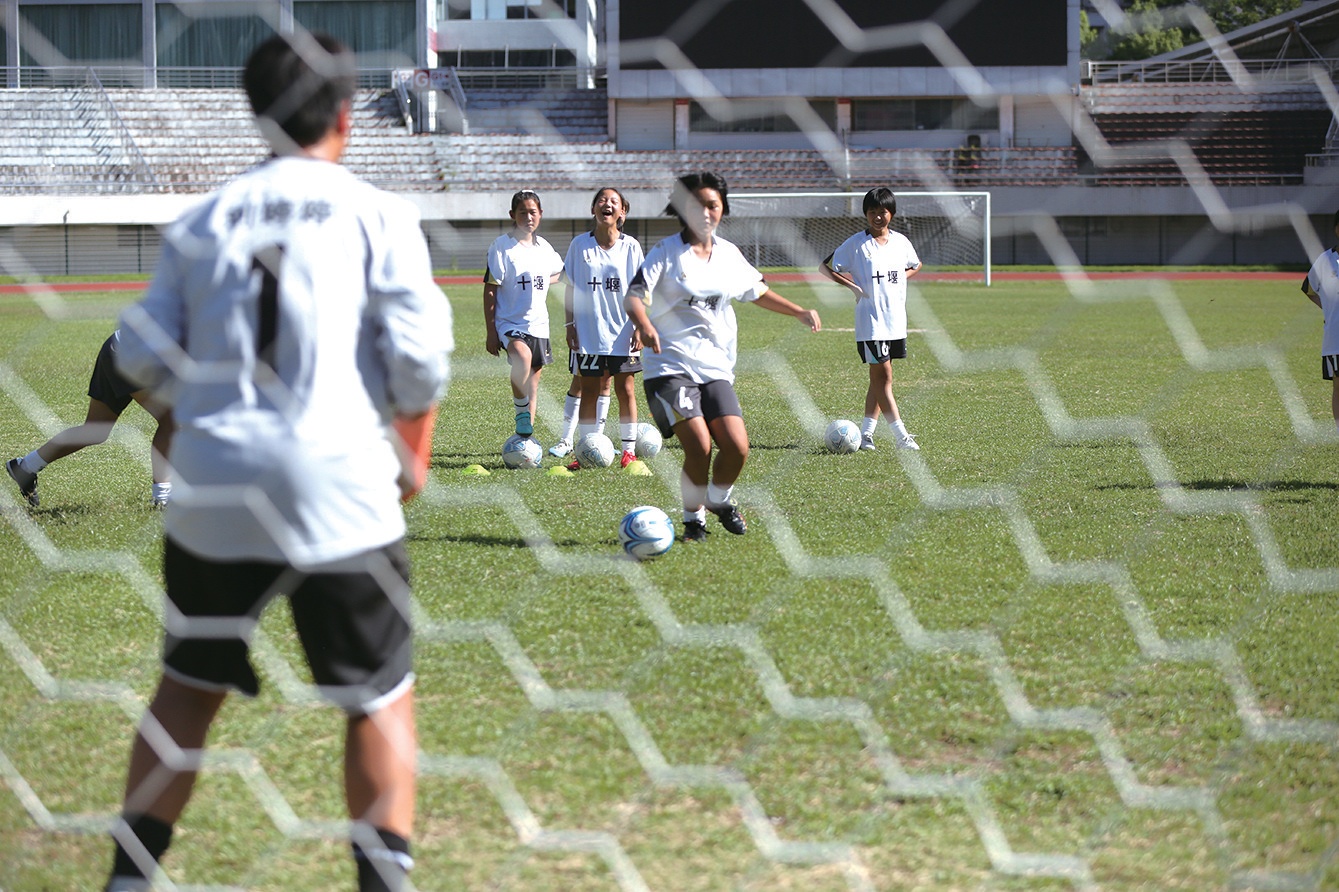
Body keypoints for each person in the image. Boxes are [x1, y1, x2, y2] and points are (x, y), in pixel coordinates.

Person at [103, 33, 452, 892]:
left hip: (215, 482)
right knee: (377, 698)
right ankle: (384, 879)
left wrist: (211, 411)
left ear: (254, 113)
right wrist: (410, 457)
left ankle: (130, 877)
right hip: (338, 480)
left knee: (188, 685)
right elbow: (419, 364)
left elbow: (138, 355)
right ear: (347, 116)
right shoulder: (378, 214)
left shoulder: (202, 220)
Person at [626, 171, 821, 542]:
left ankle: (718, 499)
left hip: (715, 367)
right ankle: (693, 522)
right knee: (699, 445)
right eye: (697, 205)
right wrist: (644, 323)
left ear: (722, 209)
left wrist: (798, 311)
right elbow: (634, 296)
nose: (705, 212)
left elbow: (756, 291)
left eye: (712, 205)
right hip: (669, 367)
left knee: (737, 447)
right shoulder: (666, 252)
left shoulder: (729, 254)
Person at [6, 330, 174, 509]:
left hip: (118, 346)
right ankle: (163, 498)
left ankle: (25, 467)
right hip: (133, 354)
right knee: (171, 421)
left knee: (95, 430)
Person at [819, 186, 923, 451]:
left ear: (892, 213)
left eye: (883, 212)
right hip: (871, 323)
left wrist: (900, 279)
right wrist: (853, 287)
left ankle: (866, 435)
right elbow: (825, 267)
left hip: (895, 321)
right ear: (865, 214)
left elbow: (916, 264)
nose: (878, 217)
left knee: (879, 379)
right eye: (872, 212)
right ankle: (901, 437)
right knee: (884, 376)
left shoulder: (901, 242)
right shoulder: (856, 244)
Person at [561, 186, 646, 469]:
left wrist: (640, 326)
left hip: (624, 332)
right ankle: (586, 452)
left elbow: (641, 289)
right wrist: (570, 324)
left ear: (622, 212)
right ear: (593, 209)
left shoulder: (631, 247)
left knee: (626, 389)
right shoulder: (579, 245)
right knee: (589, 390)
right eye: (601, 200)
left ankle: (629, 452)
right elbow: (570, 288)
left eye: (613, 201)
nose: (606, 204)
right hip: (589, 332)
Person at [483, 189, 564, 439]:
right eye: (522, 212)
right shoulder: (501, 247)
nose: (528, 217)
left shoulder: (544, 247)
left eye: (533, 212)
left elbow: (559, 272)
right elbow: (490, 289)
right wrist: (491, 332)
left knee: (533, 385)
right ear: (512, 215)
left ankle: (525, 441)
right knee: (522, 356)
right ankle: (521, 413)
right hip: (509, 322)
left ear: (540, 214)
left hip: (539, 324)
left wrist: (547, 280)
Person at [1302, 207, 1339, 436]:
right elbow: (1308, 289)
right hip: (1336, 337)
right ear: (1337, 229)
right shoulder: (1326, 260)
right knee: (1338, 386)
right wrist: (1329, 309)